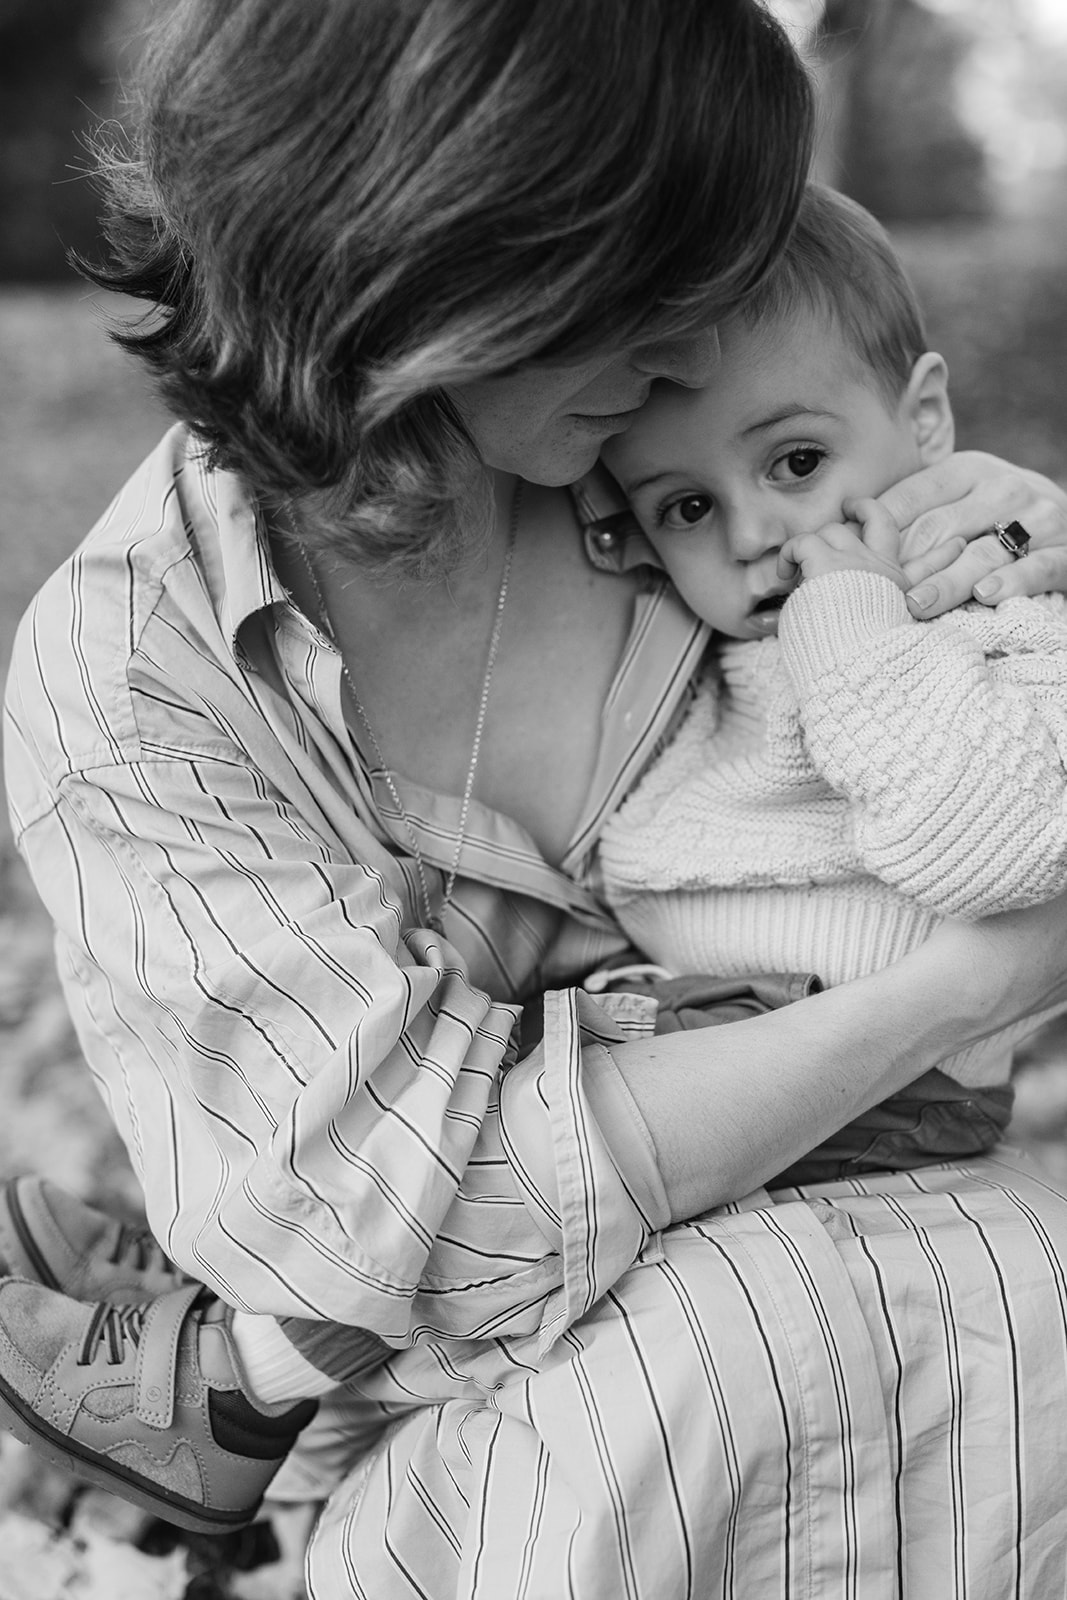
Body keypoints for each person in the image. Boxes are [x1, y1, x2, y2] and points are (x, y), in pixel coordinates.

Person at [5, 1, 1067, 1594]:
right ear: (457, 247)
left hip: (963, 1361)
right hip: (592, 1468)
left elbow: (941, 647)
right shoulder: (140, 680)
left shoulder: (652, 454)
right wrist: (972, 981)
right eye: (651, 279)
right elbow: (418, 1241)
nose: (695, 347)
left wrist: (1007, 553)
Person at [596, 183, 1067, 1179]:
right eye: (683, 507)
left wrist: (844, 611)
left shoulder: (1001, 616)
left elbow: (987, 850)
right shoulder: (703, 650)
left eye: (795, 461)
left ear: (925, 419)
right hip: (677, 1034)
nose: (750, 533)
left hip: (876, 1105)